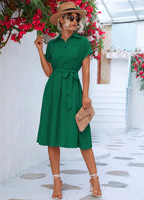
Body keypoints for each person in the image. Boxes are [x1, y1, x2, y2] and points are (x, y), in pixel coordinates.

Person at [34, 1, 102, 199]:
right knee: (52, 136)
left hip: (74, 89)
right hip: (54, 91)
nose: (74, 21)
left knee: (83, 135)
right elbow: (49, 72)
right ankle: (57, 181)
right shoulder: (53, 45)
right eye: (70, 17)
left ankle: (95, 179)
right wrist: (40, 50)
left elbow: (87, 71)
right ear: (61, 20)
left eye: (77, 18)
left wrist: (86, 95)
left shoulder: (82, 43)